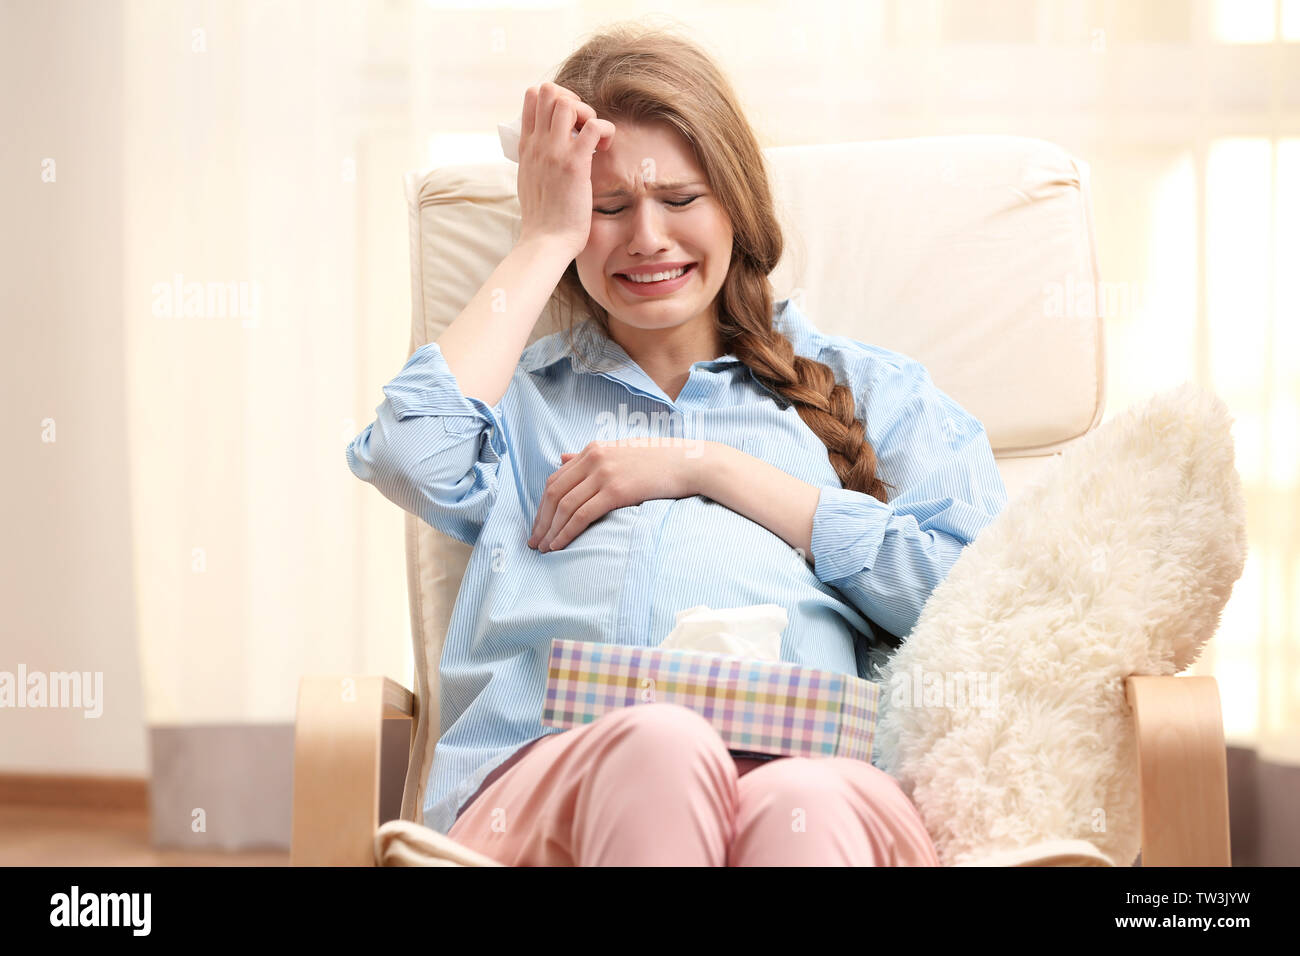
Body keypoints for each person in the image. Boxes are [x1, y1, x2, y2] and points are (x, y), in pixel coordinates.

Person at [346, 23, 1008, 866]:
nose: (647, 238)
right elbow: (409, 453)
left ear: (736, 200)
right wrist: (542, 238)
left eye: (681, 200)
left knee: (804, 793)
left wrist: (711, 469)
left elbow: (979, 600)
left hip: (812, 774)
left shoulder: (874, 393)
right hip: (552, 783)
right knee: (661, 745)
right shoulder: (519, 401)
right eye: (608, 209)